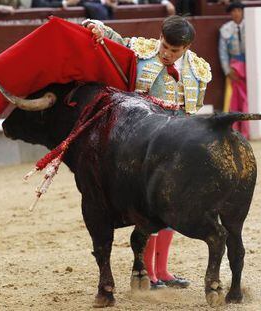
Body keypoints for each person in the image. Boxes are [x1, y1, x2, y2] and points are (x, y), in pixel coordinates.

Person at [86, 15, 212, 289]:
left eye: (174, 50)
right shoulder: (143, 51)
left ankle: (163, 271)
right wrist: (97, 26)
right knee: (148, 208)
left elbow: (190, 113)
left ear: (187, 47)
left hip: (174, 146)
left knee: (171, 208)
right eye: (164, 46)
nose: (166, 54)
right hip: (140, 145)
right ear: (160, 37)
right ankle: (149, 273)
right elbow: (115, 39)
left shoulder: (198, 70)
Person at [218, 1, 249, 138]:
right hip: (234, 67)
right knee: (234, 99)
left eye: (238, 10)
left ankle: (248, 128)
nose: (236, 13)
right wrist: (227, 70)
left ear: (242, 12)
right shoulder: (225, 29)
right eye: (233, 11)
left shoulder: (251, 26)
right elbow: (223, 52)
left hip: (250, 66)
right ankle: (235, 129)